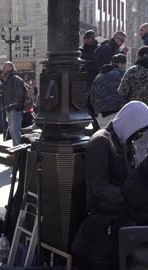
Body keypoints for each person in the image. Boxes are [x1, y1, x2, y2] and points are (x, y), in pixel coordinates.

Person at [73, 101, 148, 270]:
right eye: (140, 130)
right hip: (107, 215)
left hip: (123, 207)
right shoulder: (101, 141)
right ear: (131, 122)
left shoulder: (124, 141)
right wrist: (129, 199)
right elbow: (99, 187)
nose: (139, 135)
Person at [88, 53, 127, 129]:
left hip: (99, 115)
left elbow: (91, 97)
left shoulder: (99, 75)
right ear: (121, 64)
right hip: (116, 113)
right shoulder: (122, 74)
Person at [2, 61, 25, 146]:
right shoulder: (7, 80)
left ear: (10, 68)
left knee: (15, 131)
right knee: (11, 131)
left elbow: (19, 95)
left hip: (15, 109)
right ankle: (16, 152)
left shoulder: (15, 79)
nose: (3, 69)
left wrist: (13, 105)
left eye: (5, 67)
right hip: (9, 108)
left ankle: (20, 152)